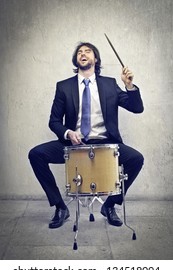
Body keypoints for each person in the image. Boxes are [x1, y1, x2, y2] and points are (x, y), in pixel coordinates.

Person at [28, 42, 144, 229]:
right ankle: (60, 207)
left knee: (136, 159)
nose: (83, 54)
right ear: (76, 59)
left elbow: (137, 108)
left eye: (88, 51)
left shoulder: (109, 84)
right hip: (74, 144)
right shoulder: (64, 87)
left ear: (95, 59)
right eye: (79, 52)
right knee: (36, 154)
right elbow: (54, 121)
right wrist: (67, 132)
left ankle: (110, 205)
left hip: (105, 144)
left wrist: (129, 86)